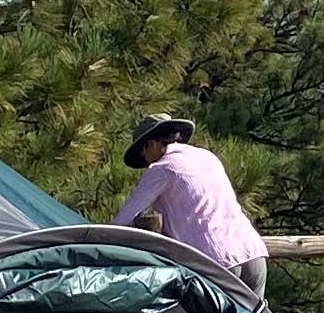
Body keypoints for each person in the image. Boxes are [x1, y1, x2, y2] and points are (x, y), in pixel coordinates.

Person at [114, 113, 268, 299]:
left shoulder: (162, 168)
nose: (145, 161)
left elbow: (123, 221)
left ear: (151, 143)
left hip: (215, 260)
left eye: (142, 153)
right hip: (252, 250)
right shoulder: (207, 156)